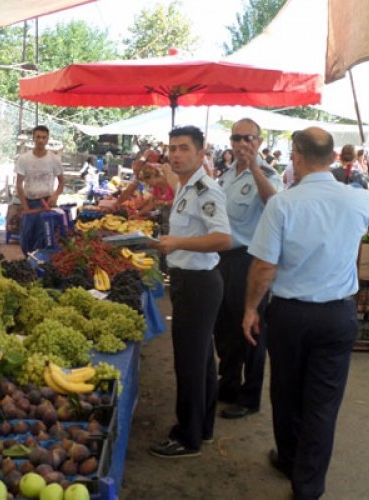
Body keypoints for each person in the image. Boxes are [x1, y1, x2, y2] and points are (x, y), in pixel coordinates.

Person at [242, 127, 369, 500]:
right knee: (323, 403)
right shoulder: (359, 200)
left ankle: (289, 457)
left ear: (296, 156)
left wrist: (250, 308)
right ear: (333, 158)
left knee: (286, 391)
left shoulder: (284, 203)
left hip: (291, 315)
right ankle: (308, 487)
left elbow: (264, 267)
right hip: (338, 315)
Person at [149, 125, 232, 458]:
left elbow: (224, 238)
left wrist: (178, 242)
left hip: (199, 285)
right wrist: (163, 176)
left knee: (189, 363)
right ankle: (203, 427)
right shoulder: (186, 185)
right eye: (172, 148)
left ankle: (187, 437)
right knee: (202, 363)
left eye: (184, 148)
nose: (176, 154)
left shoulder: (206, 190)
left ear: (201, 153)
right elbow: (172, 179)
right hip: (189, 282)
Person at [214, 118, 283, 420]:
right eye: (236, 138)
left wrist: (255, 167)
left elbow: (273, 204)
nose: (242, 144)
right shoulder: (227, 175)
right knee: (225, 327)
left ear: (259, 141)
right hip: (223, 259)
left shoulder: (268, 174)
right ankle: (228, 384)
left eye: (248, 138)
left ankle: (249, 395)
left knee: (252, 330)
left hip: (249, 261)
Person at [14, 125, 64, 254]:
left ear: (47, 139)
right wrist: (25, 207)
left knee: (44, 239)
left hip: (47, 204)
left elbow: (61, 182)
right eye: (38, 137)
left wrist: (55, 196)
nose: (41, 140)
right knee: (26, 239)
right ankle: (28, 264)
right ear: (33, 139)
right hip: (29, 204)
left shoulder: (54, 159)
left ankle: (39, 265)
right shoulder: (24, 159)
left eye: (44, 137)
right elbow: (19, 184)